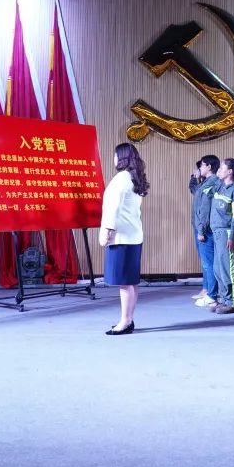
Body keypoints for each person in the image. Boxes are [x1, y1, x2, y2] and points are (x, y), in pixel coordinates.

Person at [101, 143, 150, 335]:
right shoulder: (133, 177)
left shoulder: (121, 178)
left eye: (115, 155)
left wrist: (107, 230)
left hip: (121, 236)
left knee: (125, 282)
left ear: (120, 157)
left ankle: (125, 321)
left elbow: (113, 208)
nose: (113, 159)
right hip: (133, 235)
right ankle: (128, 319)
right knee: (130, 281)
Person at [208, 158, 234, 314]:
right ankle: (223, 298)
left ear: (230, 171)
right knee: (218, 268)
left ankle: (231, 302)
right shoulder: (220, 186)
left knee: (228, 269)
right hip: (216, 231)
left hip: (227, 232)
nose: (218, 171)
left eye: (222, 168)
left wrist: (233, 236)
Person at [190, 155, 220, 307]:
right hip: (200, 227)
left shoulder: (212, 183)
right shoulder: (205, 182)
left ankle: (211, 294)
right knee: (206, 262)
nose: (199, 168)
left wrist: (201, 230)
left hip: (205, 229)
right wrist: (194, 179)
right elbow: (195, 192)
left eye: (202, 165)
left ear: (209, 167)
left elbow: (205, 208)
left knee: (209, 263)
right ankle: (207, 290)